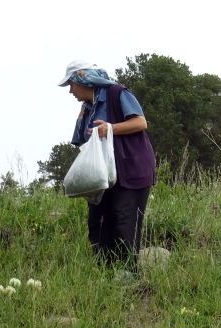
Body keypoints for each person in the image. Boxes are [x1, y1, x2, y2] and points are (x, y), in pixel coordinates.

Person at [58, 59, 156, 273]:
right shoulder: (86, 109)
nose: (70, 91)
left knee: (124, 222)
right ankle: (107, 275)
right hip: (102, 177)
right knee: (98, 224)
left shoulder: (117, 92)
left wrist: (109, 129)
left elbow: (140, 123)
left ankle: (128, 276)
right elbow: (80, 142)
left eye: (71, 85)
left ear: (82, 79)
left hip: (130, 170)